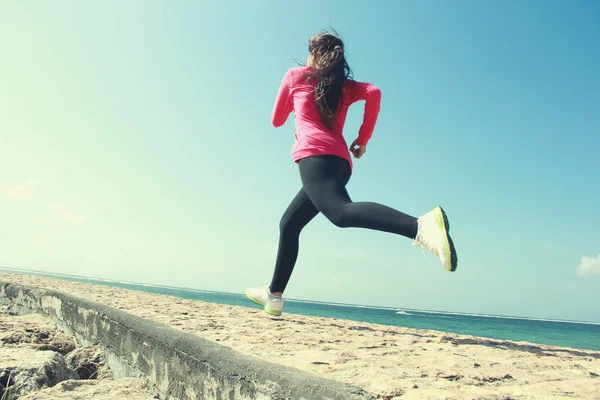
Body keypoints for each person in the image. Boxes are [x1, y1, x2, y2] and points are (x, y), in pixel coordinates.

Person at [246, 31, 457, 316]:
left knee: (341, 213)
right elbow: (374, 92)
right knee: (290, 223)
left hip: (314, 158)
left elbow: (276, 121)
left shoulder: (297, 76)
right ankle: (274, 296)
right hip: (341, 162)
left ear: (313, 53)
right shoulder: (344, 86)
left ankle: (420, 226)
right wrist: (363, 139)